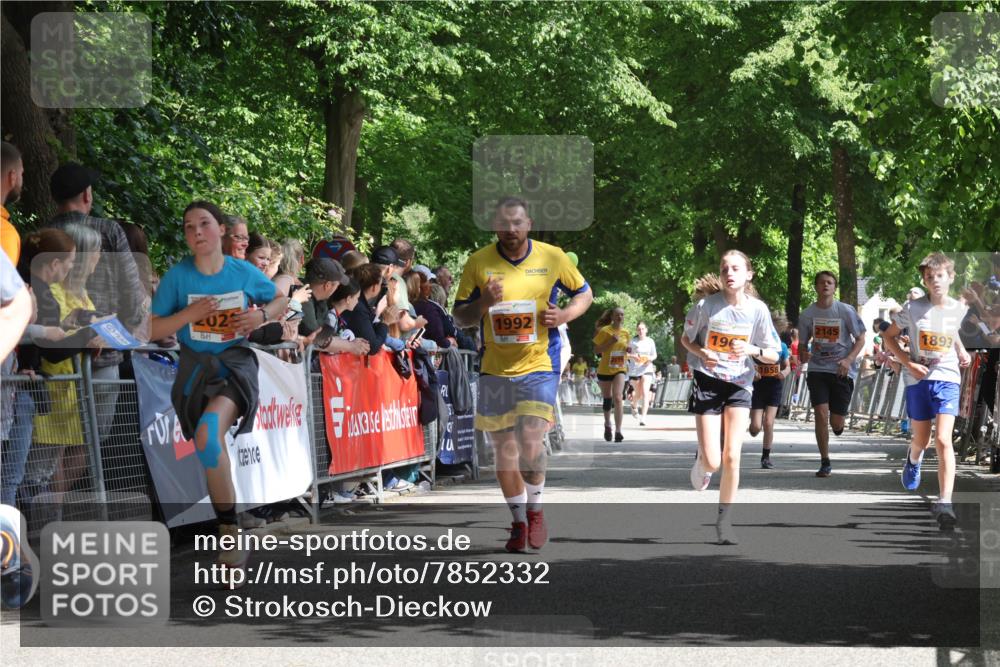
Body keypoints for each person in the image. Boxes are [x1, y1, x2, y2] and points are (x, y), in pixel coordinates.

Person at [150, 201, 288, 585]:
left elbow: (281, 299)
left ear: (221, 230)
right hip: (195, 372)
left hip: (234, 367)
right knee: (210, 448)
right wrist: (189, 318)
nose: (197, 232)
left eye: (205, 224)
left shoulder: (241, 271)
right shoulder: (177, 278)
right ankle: (230, 523)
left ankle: (228, 532)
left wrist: (261, 315)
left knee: (210, 437)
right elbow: (152, 329)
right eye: (189, 226)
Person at [453, 196, 592, 552]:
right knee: (504, 451)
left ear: (528, 223)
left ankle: (535, 511)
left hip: (539, 365)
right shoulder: (478, 262)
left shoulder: (552, 256)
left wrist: (563, 316)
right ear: (494, 226)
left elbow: (585, 294)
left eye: (517, 222)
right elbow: (460, 317)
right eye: (504, 224)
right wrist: (484, 301)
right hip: (495, 369)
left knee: (531, 440)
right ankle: (517, 522)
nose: (511, 230)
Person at [680, 250, 780, 545]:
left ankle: (724, 521)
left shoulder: (758, 310)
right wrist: (702, 353)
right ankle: (702, 461)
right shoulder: (705, 306)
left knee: (732, 456)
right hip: (708, 380)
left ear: (748, 274)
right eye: (724, 269)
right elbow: (686, 339)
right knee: (713, 461)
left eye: (736, 268)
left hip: (740, 383)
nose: (729, 273)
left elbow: (774, 352)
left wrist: (752, 351)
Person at [44, 163, 148, 447]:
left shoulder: (40, 235)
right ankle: (87, 494)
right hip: (104, 356)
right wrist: (118, 336)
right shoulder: (110, 231)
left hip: (51, 360)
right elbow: (134, 296)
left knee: (51, 446)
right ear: (87, 195)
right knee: (91, 446)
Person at [882, 252, 971, 530]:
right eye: (929, 277)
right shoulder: (912, 308)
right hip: (918, 379)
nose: (935, 281)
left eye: (940, 276)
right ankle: (913, 458)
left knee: (944, 439)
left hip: (947, 377)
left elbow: (951, 330)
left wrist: (961, 350)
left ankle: (945, 501)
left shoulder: (958, 308)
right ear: (924, 279)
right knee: (921, 439)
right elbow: (888, 336)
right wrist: (908, 362)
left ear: (950, 277)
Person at [798, 271, 866, 477]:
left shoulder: (845, 311)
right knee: (821, 413)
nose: (825, 286)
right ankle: (825, 460)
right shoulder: (807, 315)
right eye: (821, 282)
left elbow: (861, 338)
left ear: (834, 287)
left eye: (829, 282)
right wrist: (804, 353)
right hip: (818, 369)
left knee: (836, 422)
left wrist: (848, 360)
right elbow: (802, 343)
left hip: (841, 370)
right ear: (816, 287)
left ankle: (838, 427)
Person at [749, 312, 791, 469]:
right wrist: (753, 373)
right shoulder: (756, 346)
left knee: (769, 422)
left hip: (774, 386)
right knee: (755, 427)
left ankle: (765, 457)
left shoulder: (782, 347)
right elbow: (747, 363)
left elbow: (788, 366)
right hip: (758, 386)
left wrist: (784, 373)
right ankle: (753, 426)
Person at [593, 308, 630, 442]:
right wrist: (610, 342)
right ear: (612, 317)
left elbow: (626, 348)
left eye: (622, 315)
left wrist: (628, 349)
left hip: (620, 368)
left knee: (618, 397)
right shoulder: (605, 331)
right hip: (605, 369)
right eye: (617, 315)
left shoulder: (626, 332)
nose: (620, 317)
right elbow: (596, 350)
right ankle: (608, 423)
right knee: (608, 398)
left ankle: (618, 430)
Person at [627, 321, 658, 426]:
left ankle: (643, 418)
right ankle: (634, 405)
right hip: (635, 370)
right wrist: (633, 356)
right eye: (639, 329)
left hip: (647, 369)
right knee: (638, 394)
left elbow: (654, 355)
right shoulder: (632, 342)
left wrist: (649, 359)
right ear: (637, 330)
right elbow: (626, 354)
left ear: (646, 330)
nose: (641, 331)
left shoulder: (650, 341)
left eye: (643, 329)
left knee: (645, 393)